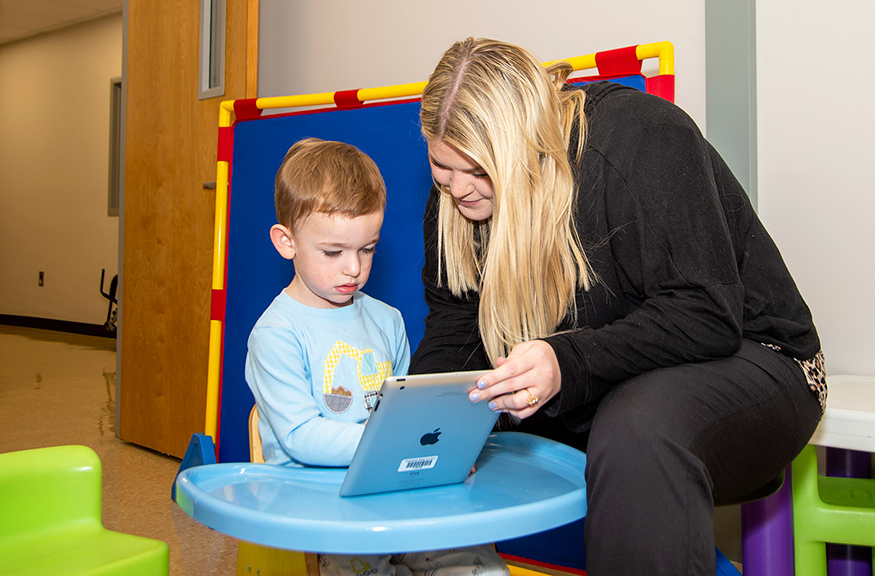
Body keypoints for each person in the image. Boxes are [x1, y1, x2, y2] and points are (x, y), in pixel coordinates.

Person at [410, 38, 826, 575]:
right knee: (478, 432)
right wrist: (418, 425)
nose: (459, 190)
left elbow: (706, 312)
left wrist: (568, 362)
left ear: (525, 146)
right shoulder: (456, 203)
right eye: (443, 168)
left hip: (762, 358)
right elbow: (455, 334)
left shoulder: (642, 139)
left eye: (480, 170)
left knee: (638, 428)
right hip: (613, 382)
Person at [245, 138, 508, 576]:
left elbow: (411, 406)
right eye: (333, 252)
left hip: (396, 491)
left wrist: (448, 445)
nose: (354, 268)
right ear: (286, 242)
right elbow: (300, 435)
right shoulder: (276, 334)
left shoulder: (386, 320)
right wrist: (388, 442)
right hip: (321, 507)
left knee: (477, 564)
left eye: (367, 249)